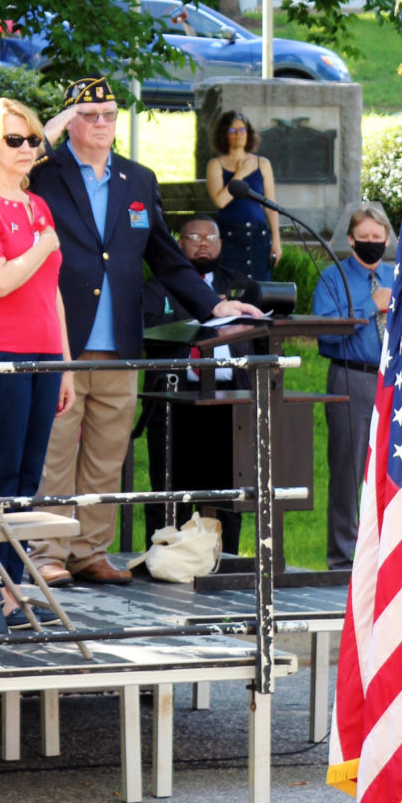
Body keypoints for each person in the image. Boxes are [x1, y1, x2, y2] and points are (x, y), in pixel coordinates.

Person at [27, 76, 264, 588]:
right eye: (88, 116)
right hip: (62, 340)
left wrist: (216, 302)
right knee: (57, 452)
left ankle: (90, 551)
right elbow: (2, 178)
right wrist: (43, 138)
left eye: (109, 115)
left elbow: (166, 257)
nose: (101, 124)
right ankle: (46, 550)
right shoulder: (44, 171)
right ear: (68, 121)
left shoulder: (136, 178)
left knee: (107, 456)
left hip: (122, 344)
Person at [0, 97, 75, 627]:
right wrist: (42, 245)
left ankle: (13, 588)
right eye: (15, 140)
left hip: (43, 354)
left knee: (27, 481)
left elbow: (54, 292)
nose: (27, 148)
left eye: (32, 140)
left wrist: (65, 363)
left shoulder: (38, 207)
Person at [141, 215, 256, 554]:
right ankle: (166, 557)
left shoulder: (240, 285)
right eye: (194, 236)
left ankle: (225, 558)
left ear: (222, 244)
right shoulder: (157, 285)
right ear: (179, 245)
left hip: (228, 400)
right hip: (174, 400)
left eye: (211, 237)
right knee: (170, 488)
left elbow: (260, 338)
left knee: (225, 491)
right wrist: (199, 314)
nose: (203, 243)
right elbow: (146, 327)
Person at [312, 205, 394, 570]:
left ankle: (388, 554)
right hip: (352, 378)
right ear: (350, 240)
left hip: (395, 382)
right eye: (365, 238)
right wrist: (369, 308)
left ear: (388, 239)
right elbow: (325, 330)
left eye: (378, 238)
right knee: (349, 470)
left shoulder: (400, 276)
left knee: (394, 468)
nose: (372, 243)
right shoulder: (333, 278)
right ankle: (342, 559)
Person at [205, 110, 281, 281]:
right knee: (231, 287)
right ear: (224, 135)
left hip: (258, 235)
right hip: (230, 235)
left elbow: (270, 205)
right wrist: (240, 173)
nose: (238, 135)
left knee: (260, 288)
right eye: (232, 131)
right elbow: (220, 201)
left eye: (242, 130)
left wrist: (276, 239)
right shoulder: (215, 165)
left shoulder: (263, 163)